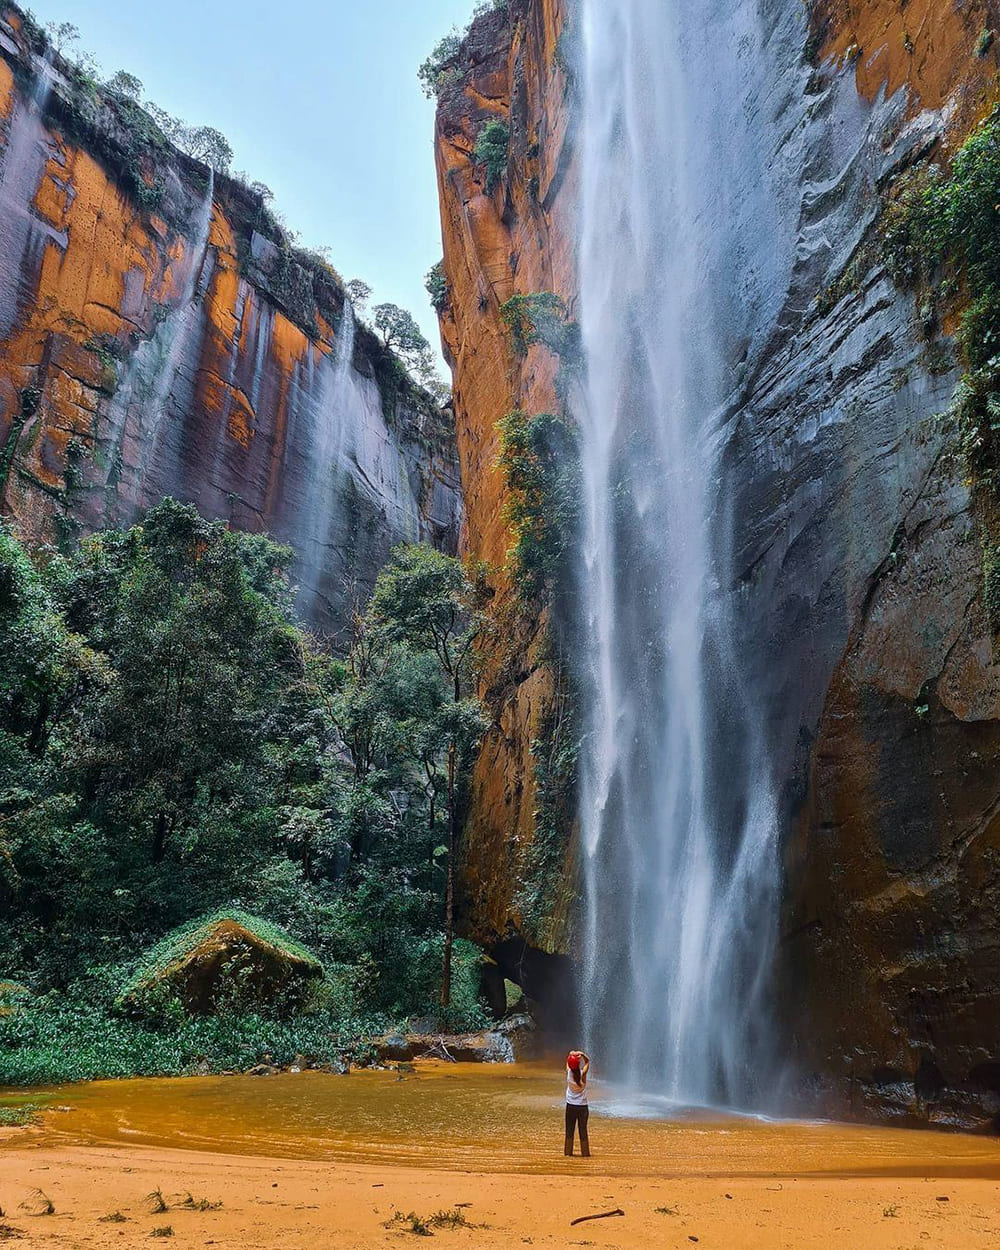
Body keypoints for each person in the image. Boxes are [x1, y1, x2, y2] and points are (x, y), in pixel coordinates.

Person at [564, 1049, 591, 1157]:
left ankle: (568, 1154)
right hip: (582, 1107)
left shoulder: (568, 1074)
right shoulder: (582, 1075)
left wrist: (571, 1054)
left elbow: (567, 1063)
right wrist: (582, 1054)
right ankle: (585, 1154)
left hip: (570, 1106)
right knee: (583, 1131)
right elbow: (588, 1062)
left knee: (569, 1131)